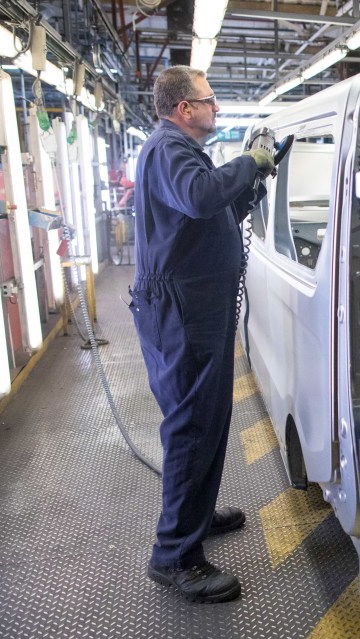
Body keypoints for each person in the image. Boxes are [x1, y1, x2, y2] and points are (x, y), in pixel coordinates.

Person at [129, 65, 274, 603]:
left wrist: (247, 188)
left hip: (194, 306)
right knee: (192, 426)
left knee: (207, 420)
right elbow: (196, 197)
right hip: (182, 311)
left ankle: (195, 516)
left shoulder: (181, 152)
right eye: (210, 101)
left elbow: (204, 212)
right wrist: (249, 161)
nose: (216, 109)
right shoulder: (169, 148)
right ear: (184, 109)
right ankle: (175, 558)